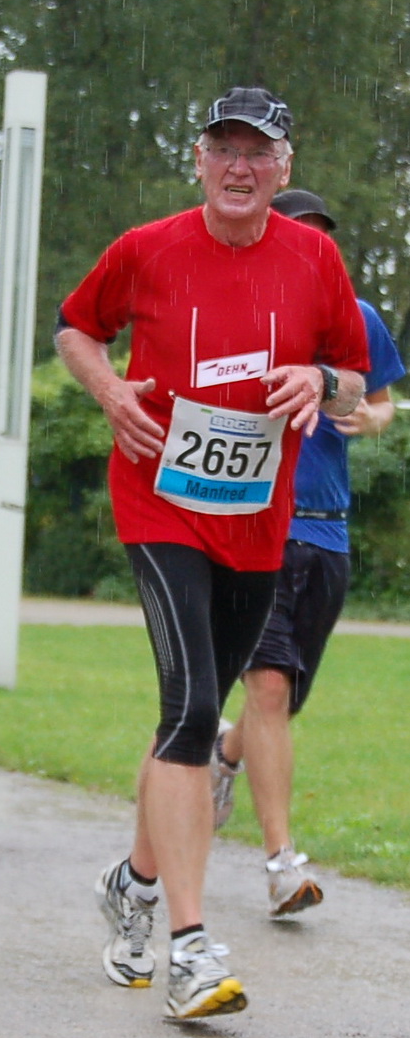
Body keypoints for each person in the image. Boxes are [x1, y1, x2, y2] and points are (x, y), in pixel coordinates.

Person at [56, 88, 369, 1020]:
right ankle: (190, 946)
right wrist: (108, 388)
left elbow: (354, 384)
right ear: (198, 158)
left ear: (282, 165)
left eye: (256, 152)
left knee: (190, 721)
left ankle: (134, 880)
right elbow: (77, 327)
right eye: (223, 148)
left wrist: (318, 379)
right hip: (158, 499)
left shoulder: (314, 257)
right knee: (192, 706)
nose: (239, 166)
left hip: (257, 521)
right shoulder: (145, 249)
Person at [209, 189, 404, 915]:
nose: (310, 245)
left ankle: (223, 754)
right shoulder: (246, 316)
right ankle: (281, 863)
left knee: (280, 704)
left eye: (321, 235)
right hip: (261, 523)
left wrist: (367, 420)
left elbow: (381, 401)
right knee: (266, 688)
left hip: (327, 531)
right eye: (298, 231)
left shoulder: (357, 320)